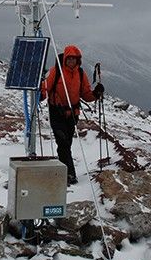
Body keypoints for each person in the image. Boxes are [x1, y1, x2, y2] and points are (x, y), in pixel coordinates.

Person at [40, 44, 104, 185]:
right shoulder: (55, 72)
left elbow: (86, 94)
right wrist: (39, 94)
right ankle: (70, 174)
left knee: (66, 143)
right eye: (69, 59)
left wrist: (96, 94)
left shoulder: (80, 74)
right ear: (65, 59)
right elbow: (45, 88)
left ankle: (63, 171)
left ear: (78, 60)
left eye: (74, 59)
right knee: (62, 141)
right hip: (57, 113)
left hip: (73, 115)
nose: (71, 61)